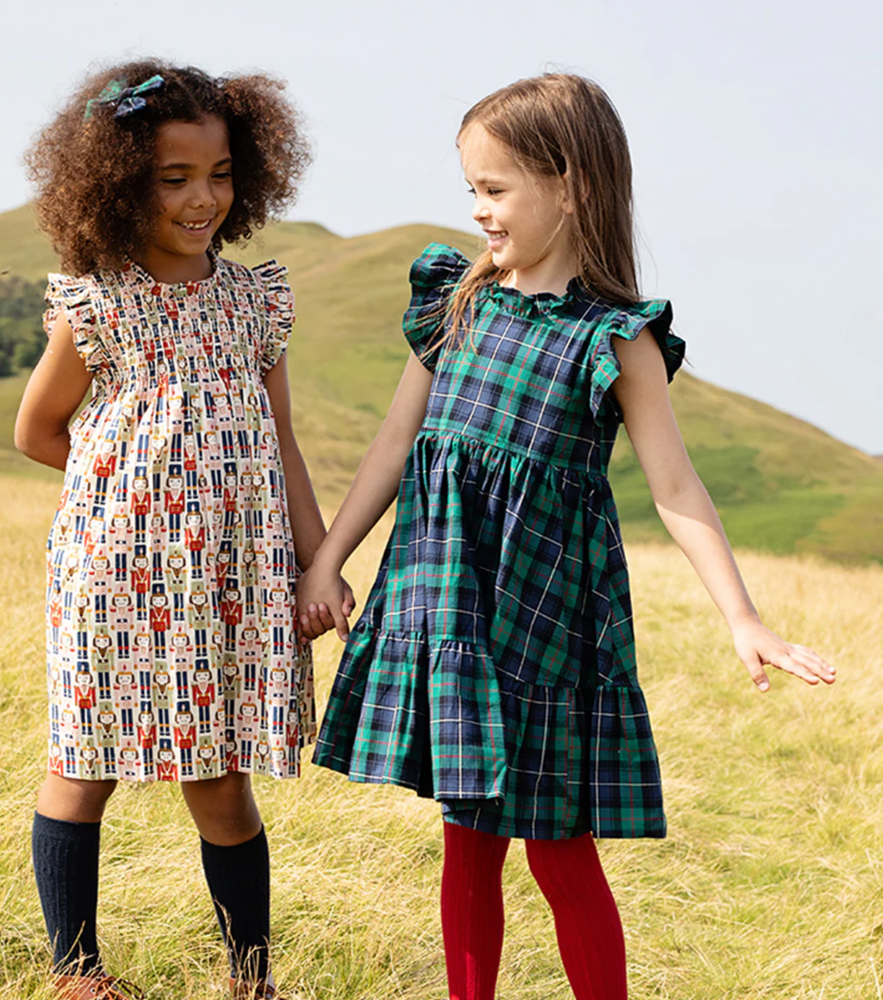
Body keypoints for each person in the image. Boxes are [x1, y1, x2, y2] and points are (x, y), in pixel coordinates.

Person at [298, 73, 835, 1000]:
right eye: (471, 189)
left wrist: (744, 618)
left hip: (546, 624)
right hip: (451, 606)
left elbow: (675, 485)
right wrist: (327, 557)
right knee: (467, 842)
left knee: (559, 853)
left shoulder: (617, 338)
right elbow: (396, 443)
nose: (478, 211)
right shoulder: (455, 302)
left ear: (573, 184)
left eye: (495, 189)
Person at [16, 59, 347, 1000]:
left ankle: (253, 979)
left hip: (231, 580)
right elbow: (39, 432)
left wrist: (315, 562)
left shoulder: (255, 304)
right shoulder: (97, 304)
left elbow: (280, 443)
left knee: (222, 783)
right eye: (174, 179)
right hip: (115, 574)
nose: (203, 198)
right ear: (120, 182)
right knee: (85, 765)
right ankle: (76, 975)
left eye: (221, 174)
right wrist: (136, 499)